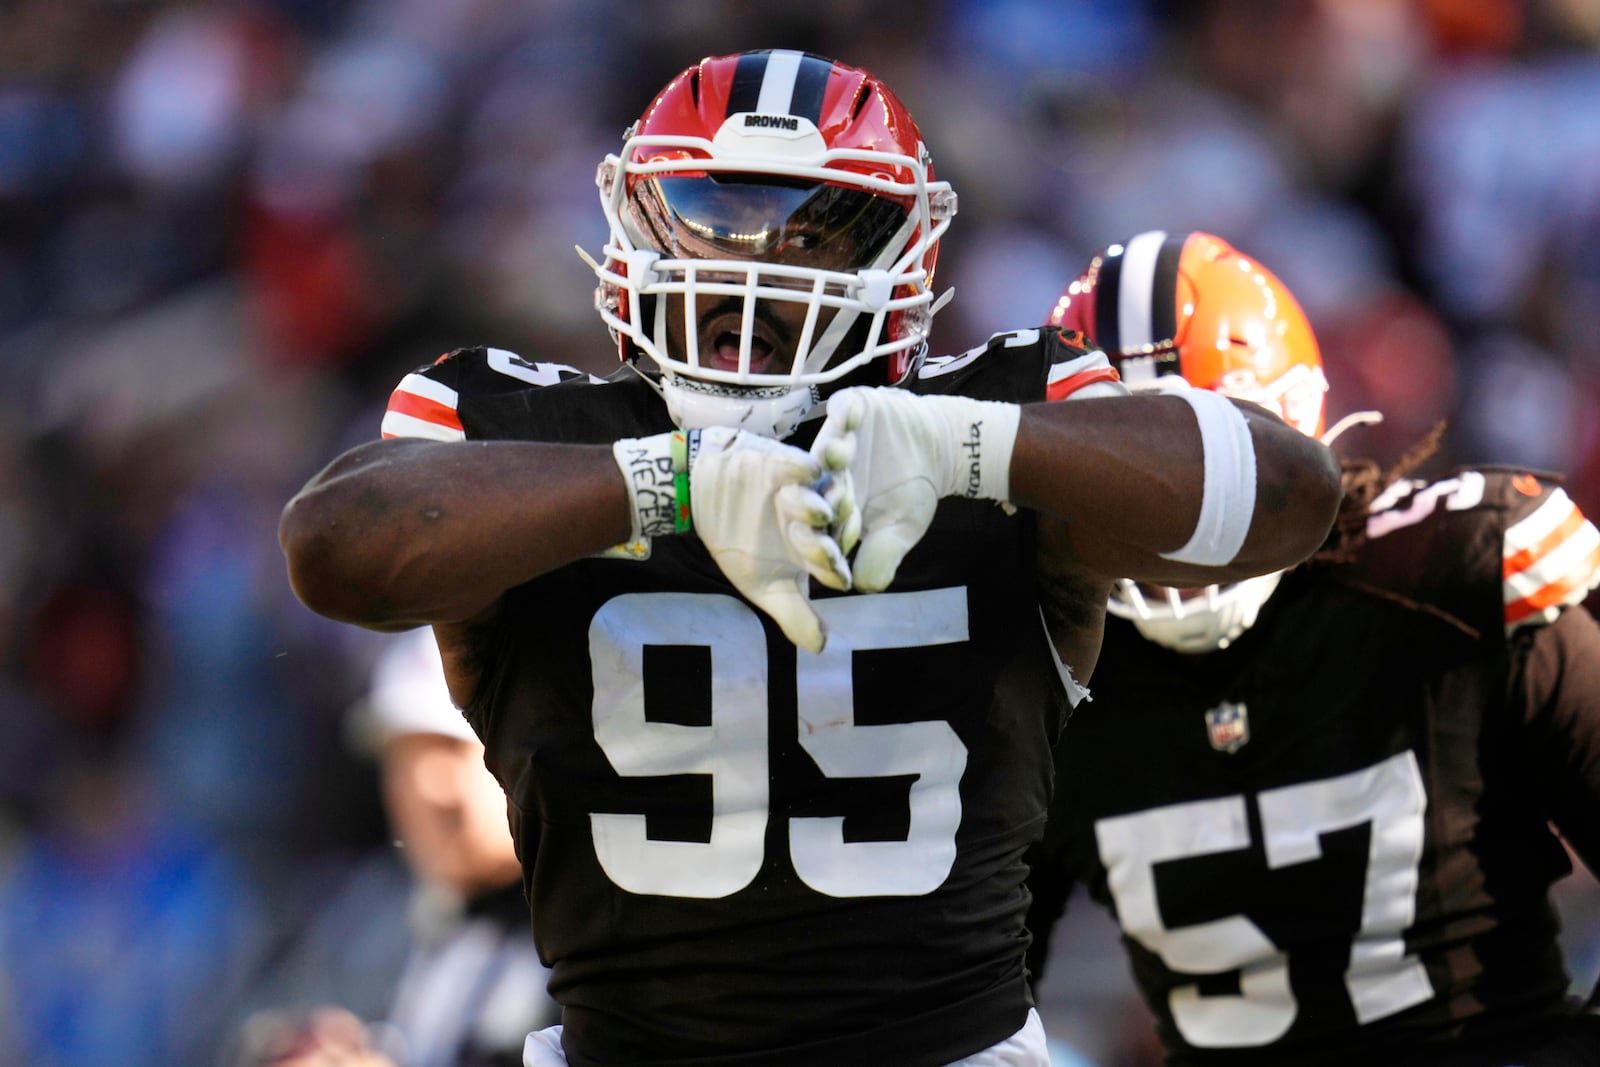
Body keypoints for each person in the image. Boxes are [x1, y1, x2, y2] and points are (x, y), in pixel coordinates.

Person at [278, 52, 1341, 1067]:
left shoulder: (985, 417)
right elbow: (334, 552)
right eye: (711, 217)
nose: (751, 264)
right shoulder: (521, 429)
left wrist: (969, 447)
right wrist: (659, 483)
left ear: (904, 253)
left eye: (811, 230)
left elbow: (1290, 497)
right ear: (633, 228)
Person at [1025, 229, 1600, 1065]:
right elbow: (959, 1002)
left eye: (1205, 467)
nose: (1175, 517)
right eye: (1130, 472)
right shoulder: (1046, 664)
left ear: (1294, 434)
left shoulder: (1446, 577)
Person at [227, 628, 558, 1067]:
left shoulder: (586, 929)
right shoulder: (381, 921)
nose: (426, 787)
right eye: (403, 759)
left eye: (449, 750)